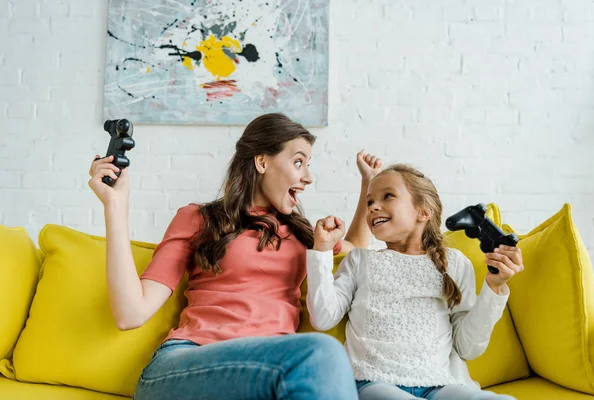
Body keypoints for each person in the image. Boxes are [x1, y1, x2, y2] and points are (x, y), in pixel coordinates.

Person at [88, 112, 383, 400]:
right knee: (323, 352)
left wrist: (367, 185)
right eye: (298, 162)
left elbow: (355, 250)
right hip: (188, 364)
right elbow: (131, 313)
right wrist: (115, 206)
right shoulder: (199, 219)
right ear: (262, 162)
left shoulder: (303, 234)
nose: (308, 177)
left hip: (273, 372)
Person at [306, 164, 524, 400]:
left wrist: (494, 286)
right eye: (369, 202)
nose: (373, 207)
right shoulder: (360, 261)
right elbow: (322, 316)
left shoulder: (455, 264)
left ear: (423, 212)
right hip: (373, 382)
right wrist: (322, 251)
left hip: (440, 385)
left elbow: (468, 348)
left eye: (387, 196)